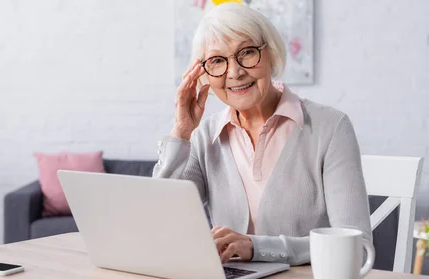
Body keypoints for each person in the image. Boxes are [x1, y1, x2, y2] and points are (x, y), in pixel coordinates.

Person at [153, 3, 372, 266]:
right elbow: (161, 224)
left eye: (246, 53)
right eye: (217, 61)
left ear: (270, 53)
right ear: (204, 74)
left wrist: (257, 247)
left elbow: (357, 248)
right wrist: (182, 131)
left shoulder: (331, 128)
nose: (234, 73)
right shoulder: (204, 136)